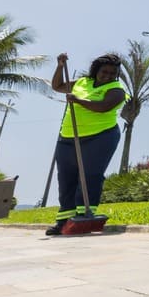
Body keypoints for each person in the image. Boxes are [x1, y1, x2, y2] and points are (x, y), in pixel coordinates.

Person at [48, 52, 126, 236]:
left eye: (112, 73)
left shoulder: (117, 90)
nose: (107, 76)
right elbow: (57, 86)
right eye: (104, 72)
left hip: (100, 137)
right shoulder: (82, 82)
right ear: (96, 71)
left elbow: (103, 107)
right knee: (66, 178)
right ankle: (64, 221)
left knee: (90, 175)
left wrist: (78, 100)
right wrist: (60, 66)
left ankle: (84, 216)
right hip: (68, 137)